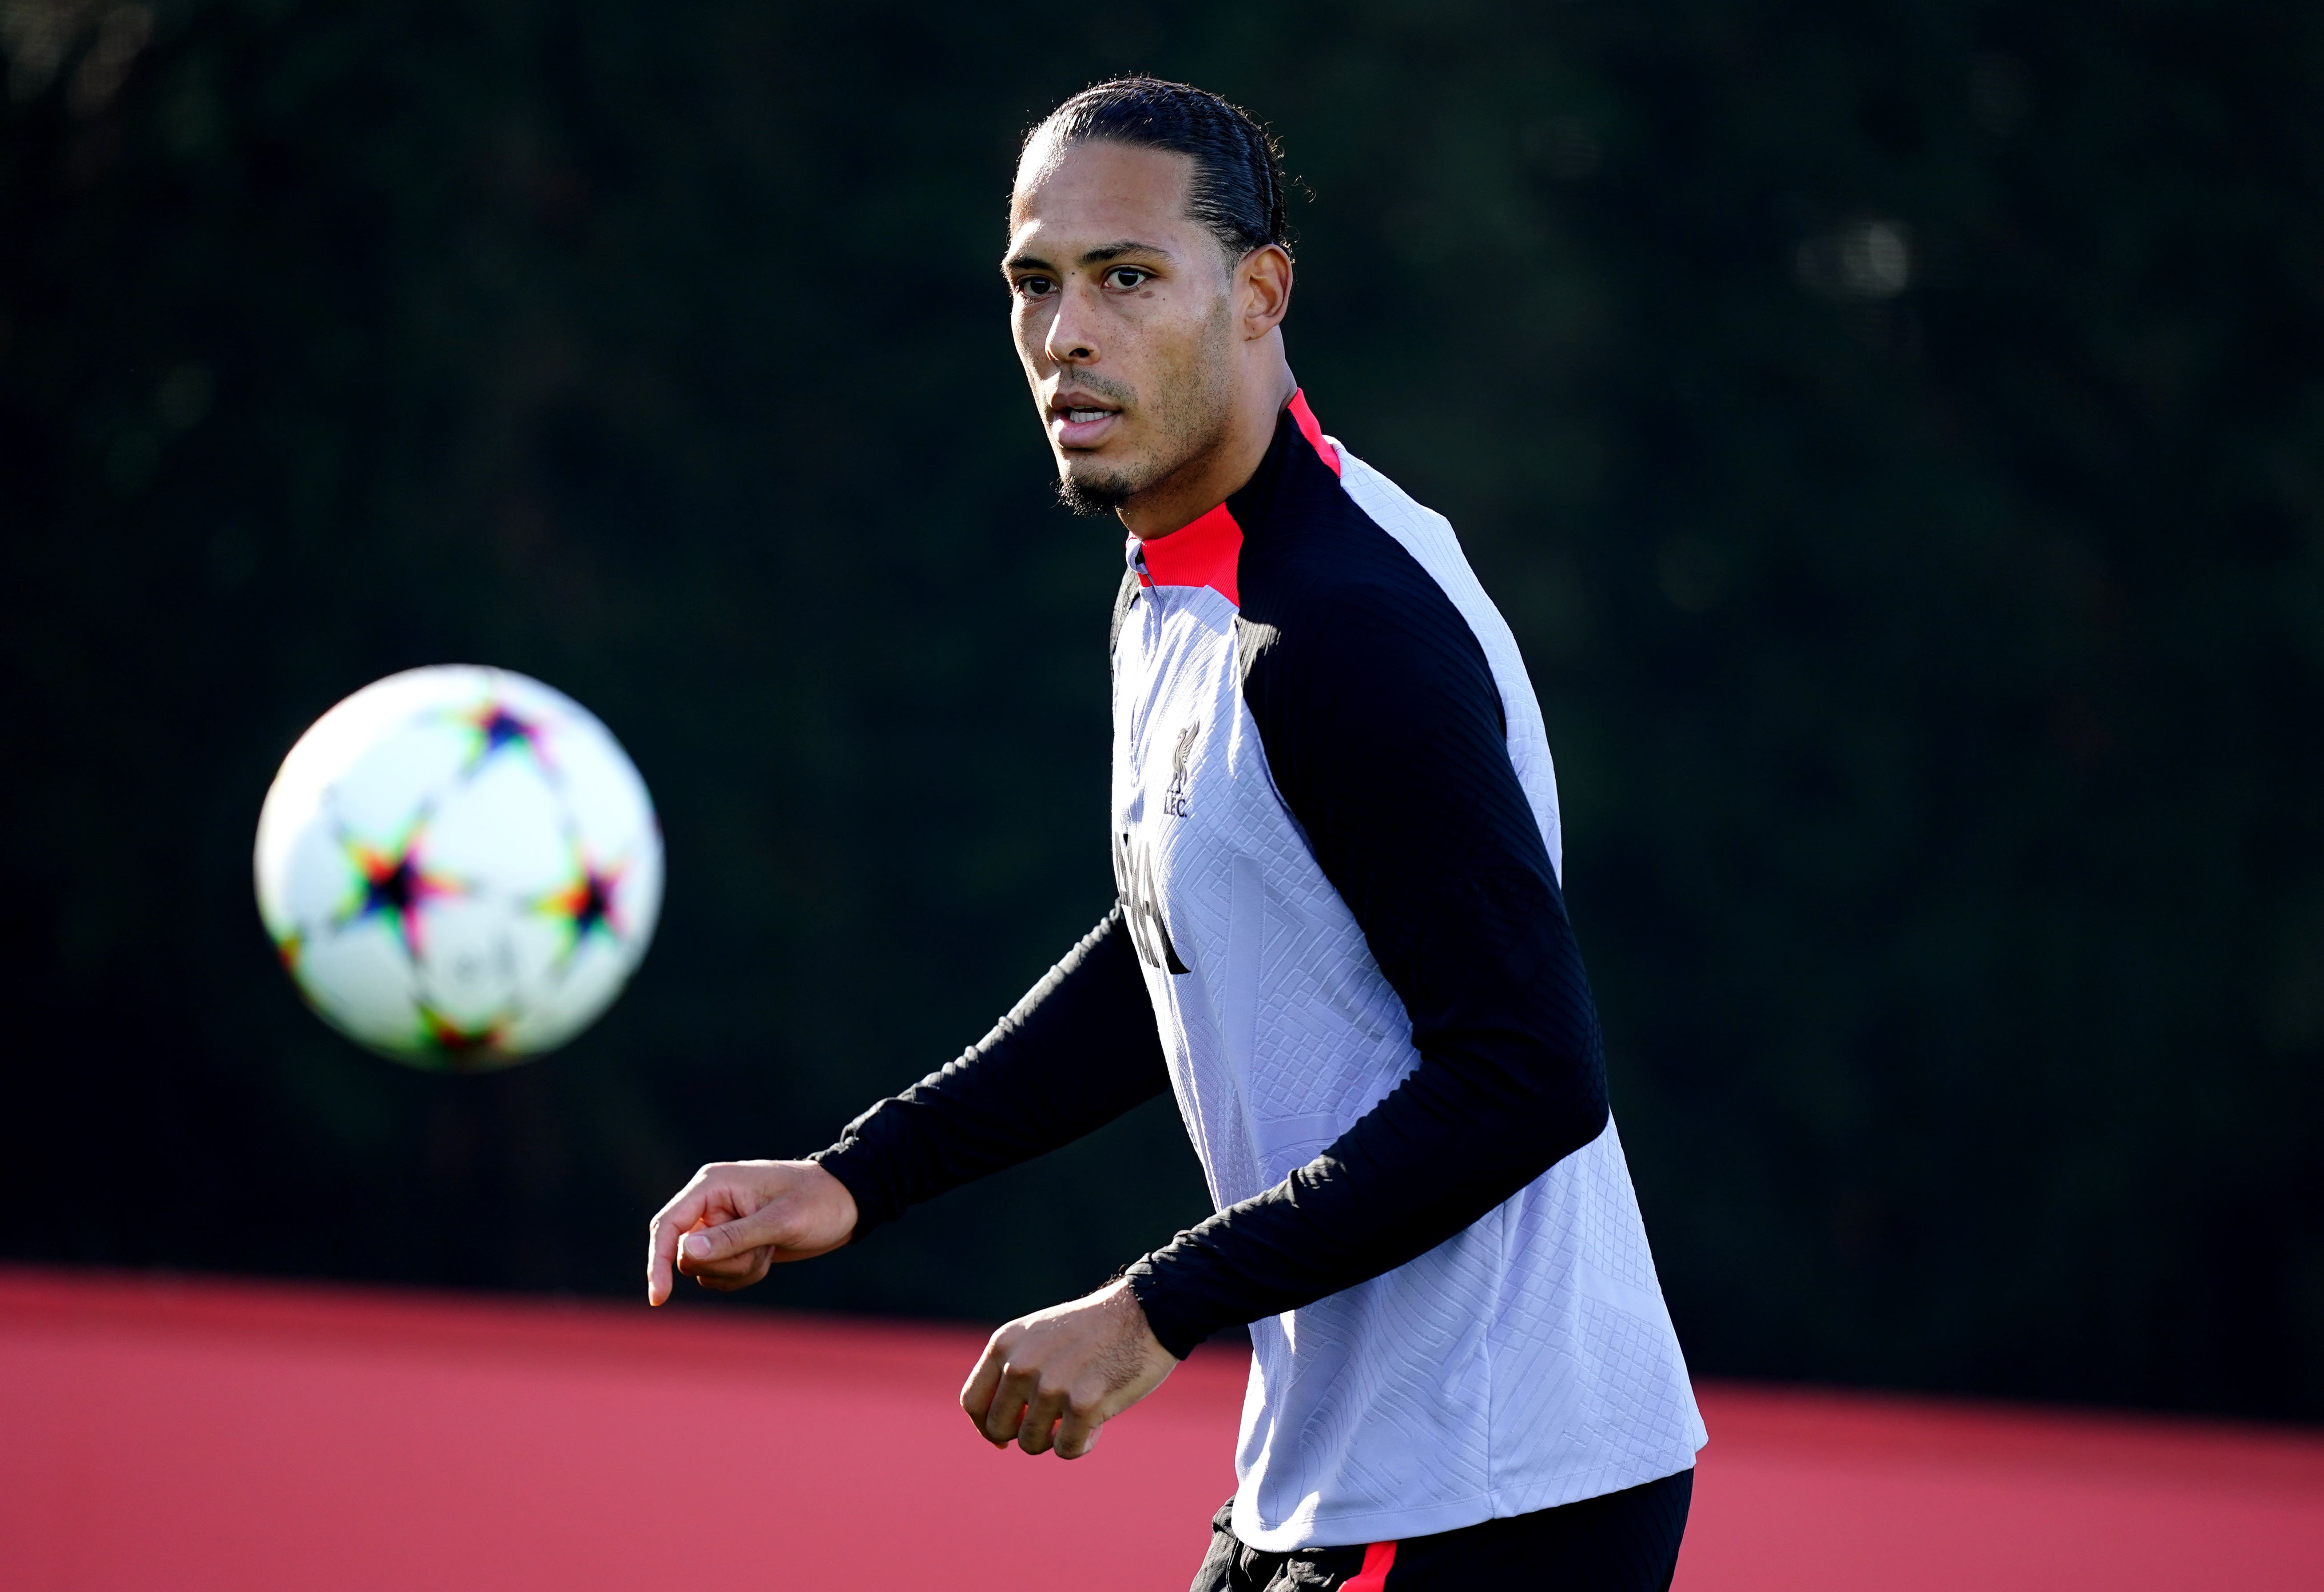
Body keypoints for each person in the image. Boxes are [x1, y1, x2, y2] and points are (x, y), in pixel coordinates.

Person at [645, 76, 1707, 1591]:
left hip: (1490, 1485)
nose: (1066, 334)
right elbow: (1192, 933)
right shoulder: (1183, 570)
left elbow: (1530, 1077)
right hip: (1365, 1475)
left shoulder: (1346, 630)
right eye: (1035, 283)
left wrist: (1154, 1309)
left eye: (1127, 277)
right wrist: (859, 1177)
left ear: (1262, 291)